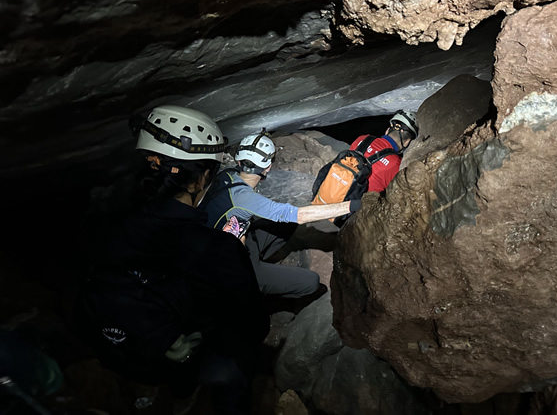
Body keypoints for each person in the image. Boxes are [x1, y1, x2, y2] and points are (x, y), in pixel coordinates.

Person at [75, 105, 269, 415]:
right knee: (240, 360)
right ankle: (199, 399)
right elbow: (255, 326)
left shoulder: (104, 226)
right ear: (203, 178)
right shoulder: (218, 249)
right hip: (178, 363)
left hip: (118, 350)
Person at [199, 129, 361, 302]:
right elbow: (300, 215)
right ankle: (256, 294)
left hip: (216, 247)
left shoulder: (226, 175)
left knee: (286, 223)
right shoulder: (245, 198)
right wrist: (352, 205)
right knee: (311, 282)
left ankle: (262, 273)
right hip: (227, 267)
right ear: (268, 167)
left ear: (238, 160)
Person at [349, 109, 419, 193]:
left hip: (337, 186)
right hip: (357, 199)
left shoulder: (362, 138)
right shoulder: (396, 165)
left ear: (387, 130)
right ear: (407, 142)